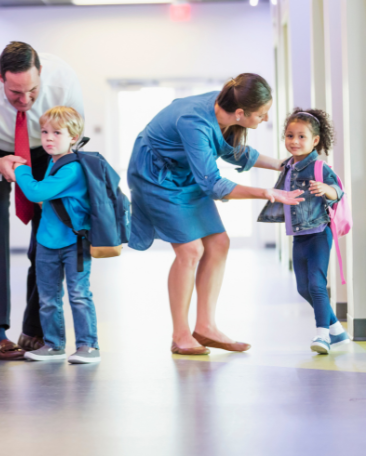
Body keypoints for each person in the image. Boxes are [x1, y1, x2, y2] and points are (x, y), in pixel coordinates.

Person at [127, 74, 304, 355]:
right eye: (261, 114)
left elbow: (233, 152)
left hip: (186, 174)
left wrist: (282, 165)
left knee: (219, 243)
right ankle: (180, 334)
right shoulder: (194, 122)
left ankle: (205, 327)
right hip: (156, 179)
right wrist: (267, 192)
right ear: (241, 113)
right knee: (190, 251)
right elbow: (213, 184)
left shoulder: (224, 106)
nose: (266, 118)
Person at [0, 41, 84, 361]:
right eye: (15, 93)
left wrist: (61, 177)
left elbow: (75, 137)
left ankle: (34, 329)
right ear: (0, 77)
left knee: (50, 233)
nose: (25, 100)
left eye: (32, 91)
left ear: (41, 73)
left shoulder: (63, 79)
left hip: (46, 147)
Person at [257, 108, 350, 354]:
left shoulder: (319, 167)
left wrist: (325, 189)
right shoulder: (288, 166)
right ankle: (337, 331)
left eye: (301, 137)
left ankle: (322, 335)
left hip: (319, 232)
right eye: (290, 136)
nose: (294, 141)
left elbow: (338, 192)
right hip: (298, 236)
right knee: (303, 288)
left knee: (317, 285)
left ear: (315, 140)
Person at [14, 107, 99, 364]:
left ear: (73, 137)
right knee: (48, 298)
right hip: (47, 242)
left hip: (75, 243)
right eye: (44, 132)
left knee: (79, 295)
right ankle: (53, 345)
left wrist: (21, 169)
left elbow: (36, 193)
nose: (48, 138)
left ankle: (88, 346)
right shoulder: (53, 163)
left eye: (56, 133)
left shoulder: (71, 169)